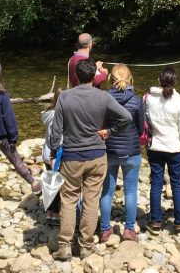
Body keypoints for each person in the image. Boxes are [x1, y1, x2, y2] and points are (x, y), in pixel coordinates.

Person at [51, 58, 131, 260]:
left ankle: (65, 246)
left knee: (68, 200)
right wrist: (110, 131)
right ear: (94, 76)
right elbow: (126, 117)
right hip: (97, 155)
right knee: (91, 200)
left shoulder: (65, 97)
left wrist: (53, 152)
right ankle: (86, 245)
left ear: (76, 76)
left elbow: (56, 129)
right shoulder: (102, 96)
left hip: (72, 156)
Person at [0, 60, 41, 193]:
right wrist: (13, 136)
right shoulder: (1, 94)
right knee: (15, 160)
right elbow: (8, 117)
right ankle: (33, 183)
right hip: (0, 135)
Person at [99, 64, 145, 242]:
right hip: (131, 150)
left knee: (107, 191)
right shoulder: (136, 100)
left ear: (111, 79)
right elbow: (141, 128)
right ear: (130, 78)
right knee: (131, 191)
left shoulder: (104, 98)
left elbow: (101, 123)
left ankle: (104, 229)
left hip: (109, 149)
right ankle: (129, 229)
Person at [144, 67, 180, 234]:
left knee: (156, 183)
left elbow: (147, 122)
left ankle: (155, 221)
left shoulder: (149, 99)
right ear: (175, 82)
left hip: (155, 146)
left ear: (159, 80)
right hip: (175, 148)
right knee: (177, 186)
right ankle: (179, 222)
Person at [40, 89, 62, 226]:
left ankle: (49, 213)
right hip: (57, 154)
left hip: (47, 153)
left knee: (50, 183)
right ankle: (57, 214)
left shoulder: (48, 113)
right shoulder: (60, 115)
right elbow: (58, 137)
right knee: (59, 185)